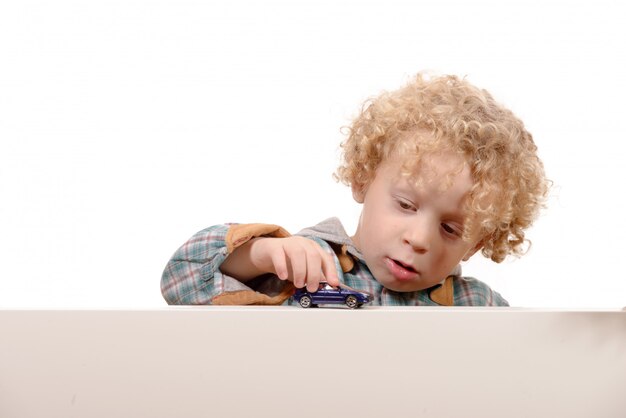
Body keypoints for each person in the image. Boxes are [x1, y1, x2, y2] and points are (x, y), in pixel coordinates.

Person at [161, 73, 549, 307]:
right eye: (405, 204)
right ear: (363, 178)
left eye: (451, 229)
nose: (418, 239)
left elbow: (527, 367)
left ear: (479, 243)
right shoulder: (306, 266)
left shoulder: (475, 305)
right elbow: (180, 282)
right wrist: (262, 254)